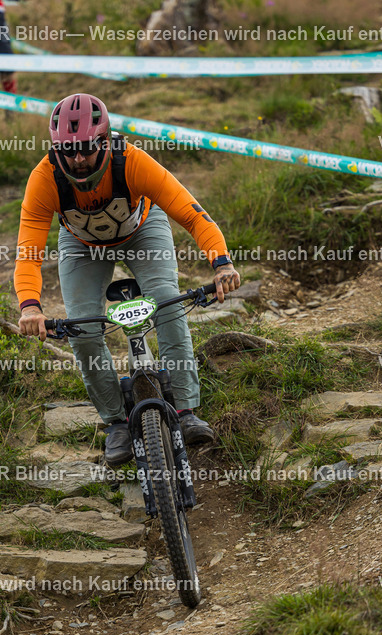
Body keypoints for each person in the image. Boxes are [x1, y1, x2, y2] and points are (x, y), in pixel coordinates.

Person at [15, 93, 242, 466]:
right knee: (83, 330)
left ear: (104, 140)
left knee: (167, 302)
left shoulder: (132, 161)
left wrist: (221, 263)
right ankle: (116, 423)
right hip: (81, 245)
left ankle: (186, 412)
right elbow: (28, 253)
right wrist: (30, 306)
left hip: (142, 230)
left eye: (87, 148)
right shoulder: (44, 180)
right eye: (67, 150)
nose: (78, 159)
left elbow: (192, 214)